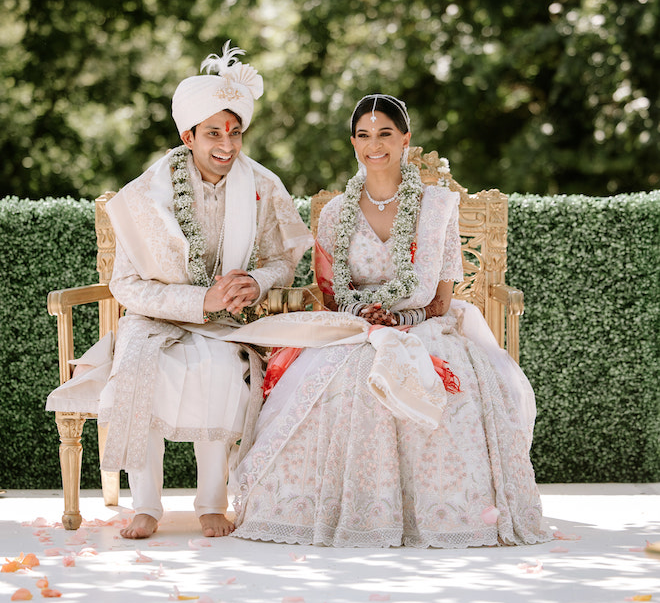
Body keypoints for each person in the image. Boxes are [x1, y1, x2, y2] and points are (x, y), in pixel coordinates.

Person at [222, 93, 551, 548]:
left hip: (426, 326)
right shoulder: (336, 213)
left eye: (384, 134)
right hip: (356, 328)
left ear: (405, 139)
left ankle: (435, 514)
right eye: (363, 135)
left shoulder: (437, 208)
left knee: (438, 380)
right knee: (347, 375)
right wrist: (367, 315)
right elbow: (334, 292)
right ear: (353, 142)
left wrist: (401, 318)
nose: (373, 145)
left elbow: (440, 300)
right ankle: (336, 509)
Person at [46, 43, 312, 540]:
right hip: (156, 321)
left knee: (223, 374)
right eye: (213, 133)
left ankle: (212, 501)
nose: (227, 145)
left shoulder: (262, 186)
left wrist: (257, 282)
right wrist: (198, 300)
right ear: (187, 135)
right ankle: (145, 505)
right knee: (143, 372)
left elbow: (284, 259)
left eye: (234, 133)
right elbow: (125, 284)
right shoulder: (147, 196)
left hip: (226, 323)